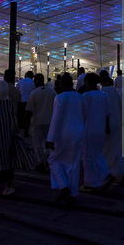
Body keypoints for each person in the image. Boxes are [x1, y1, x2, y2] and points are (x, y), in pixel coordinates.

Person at [46, 73, 87, 204]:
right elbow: (85, 115)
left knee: (53, 160)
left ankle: (63, 186)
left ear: (61, 84)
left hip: (63, 134)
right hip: (78, 133)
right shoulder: (81, 97)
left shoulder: (60, 97)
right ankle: (72, 194)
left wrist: (51, 138)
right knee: (74, 164)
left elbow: (56, 118)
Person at [81, 73, 114, 190]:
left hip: (89, 130)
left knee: (88, 157)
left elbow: (82, 114)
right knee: (98, 154)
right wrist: (107, 127)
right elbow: (108, 113)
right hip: (101, 129)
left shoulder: (86, 96)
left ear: (87, 82)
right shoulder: (104, 95)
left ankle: (92, 182)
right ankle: (98, 180)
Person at [100, 70, 124, 185]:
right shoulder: (115, 92)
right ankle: (123, 172)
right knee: (116, 149)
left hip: (108, 125)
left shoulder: (102, 92)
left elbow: (104, 111)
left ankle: (109, 173)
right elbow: (121, 107)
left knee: (107, 150)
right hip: (117, 123)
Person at [24, 73, 57, 173]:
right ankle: (48, 157)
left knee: (37, 142)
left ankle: (41, 162)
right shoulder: (52, 92)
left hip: (37, 121)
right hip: (50, 121)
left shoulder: (34, 93)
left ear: (37, 81)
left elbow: (29, 110)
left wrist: (25, 124)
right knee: (48, 141)